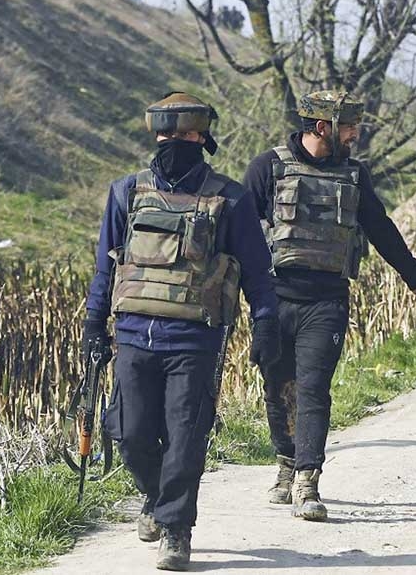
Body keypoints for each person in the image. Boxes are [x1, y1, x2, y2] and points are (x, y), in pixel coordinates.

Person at [84, 92, 281, 571]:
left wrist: (266, 324)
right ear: (156, 134)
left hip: (196, 338)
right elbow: (106, 266)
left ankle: (176, 528)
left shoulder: (229, 198)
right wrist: (93, 322)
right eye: (167, 133)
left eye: (186, 134)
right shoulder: (126, 192)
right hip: (133, 333)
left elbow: (257, 271)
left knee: (185, 436)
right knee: (130, 434)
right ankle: (156, 498)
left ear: (202, 137)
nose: (175, 141)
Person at [243, 91, 416, 522]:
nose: (354, 135)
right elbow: (239, 235)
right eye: (348, 127)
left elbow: (380, 228)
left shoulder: (354, 175)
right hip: (274, 299)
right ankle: (286, 460)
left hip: (327, 299)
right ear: (321, 128)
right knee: (279, 388)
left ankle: (308, 480)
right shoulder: (267, 168)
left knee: (313, 388)